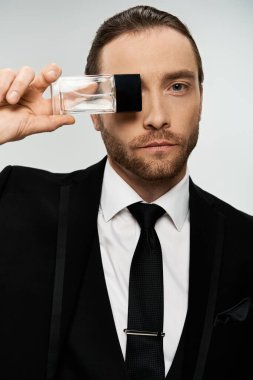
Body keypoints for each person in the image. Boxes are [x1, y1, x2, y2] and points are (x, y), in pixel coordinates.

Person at [0, 5, 252, 380]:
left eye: (177, 87)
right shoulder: (14, 202)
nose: (156, 117)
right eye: (129, 91)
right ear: (95, 111)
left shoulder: (246, 241)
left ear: (201, 99)